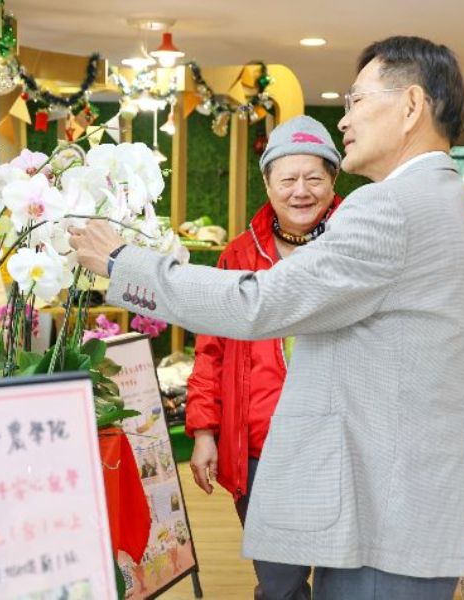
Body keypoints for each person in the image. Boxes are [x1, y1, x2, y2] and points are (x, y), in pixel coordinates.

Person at [70, 35, 464, 600]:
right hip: (406, 507)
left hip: (382, 518)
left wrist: (123, 263)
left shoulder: (389, 206)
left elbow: (259, 302)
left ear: (411, 105)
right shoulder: (450, 202)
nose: (345, 120)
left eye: (356, 101)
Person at [186, 115, 342, 599]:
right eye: (288, 179)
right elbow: (211, 349)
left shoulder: (359, 245)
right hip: (261, 447)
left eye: (314, 178)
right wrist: (205, 431)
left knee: (345, 582)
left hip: (342, 447)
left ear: (333, 180)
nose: (301, 191)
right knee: (279, 585)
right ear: (268, 183)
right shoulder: (238, 256)